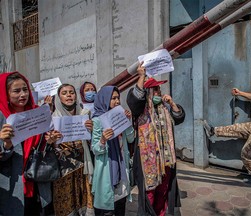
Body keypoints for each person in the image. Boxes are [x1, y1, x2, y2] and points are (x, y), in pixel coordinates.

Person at [126, 62, 185, 216]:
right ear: (148, 91)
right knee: (149, 193)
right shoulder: (141, 110)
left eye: (159, 88)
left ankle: (161, 213)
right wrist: (141, 76)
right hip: (149, 164)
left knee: (164, 190)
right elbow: (134, 100)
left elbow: (179, 118)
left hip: (165, 161)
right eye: (155, 89)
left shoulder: (164, 108)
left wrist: (172, 103)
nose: (158, 91)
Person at [0, 72, 59, 215]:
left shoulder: (36, 113)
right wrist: (6, 144)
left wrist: (50, 141)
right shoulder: (2, 117)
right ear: (5, 93)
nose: (23, 95)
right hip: (12, 186)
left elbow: (41, 146)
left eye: (25, 89)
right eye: (16, 91)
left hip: (37, 182)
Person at [52, 83, 94, 216]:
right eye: (64, 93)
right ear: (59, 98)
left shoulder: (85, 114)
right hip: (64, 170)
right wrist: (53, 140)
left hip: (83, 166)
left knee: (84, 200)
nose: (69, 95)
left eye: (71, 92)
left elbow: (92, 141)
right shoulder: (55, 118)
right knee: (67, 203)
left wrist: (92, 130)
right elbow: (51, 146)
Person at [91, 86, 134, 216]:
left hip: (121, 165)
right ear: (104, 100)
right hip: (106, 169)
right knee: (106, 207)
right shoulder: (97, 120)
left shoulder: (120, 116)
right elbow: (96, 149)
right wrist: (103, 140)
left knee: (120, 204)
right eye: (113, 98)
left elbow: (131, 138)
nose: (117, 101)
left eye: (118, 98)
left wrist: (128, 121)